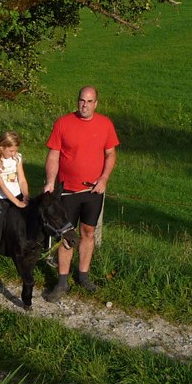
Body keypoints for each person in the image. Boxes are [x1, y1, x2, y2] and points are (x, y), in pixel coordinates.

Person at [43, 86, 119, 300]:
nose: (84, 105)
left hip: (92, 190)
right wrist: (50, 181)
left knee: (88, 232)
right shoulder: (63, 123)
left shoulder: (105, 124)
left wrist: (104, 179)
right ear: (77, 101)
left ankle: (83, 276)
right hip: (67, 191)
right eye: (81, 101)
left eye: (89, 101)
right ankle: (62, 282)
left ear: (96, 103)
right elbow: (53, 155)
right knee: (67, 234)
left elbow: (111, 154)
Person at [0, 131, 29, 294]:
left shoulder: (17, 158)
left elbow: (22, 179)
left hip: (18, 196)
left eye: (15, 150)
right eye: (11, 150)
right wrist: (15, 203)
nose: (14, 153)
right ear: (1, 147)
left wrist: (26, 196)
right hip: (0, 200)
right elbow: (1, 185)